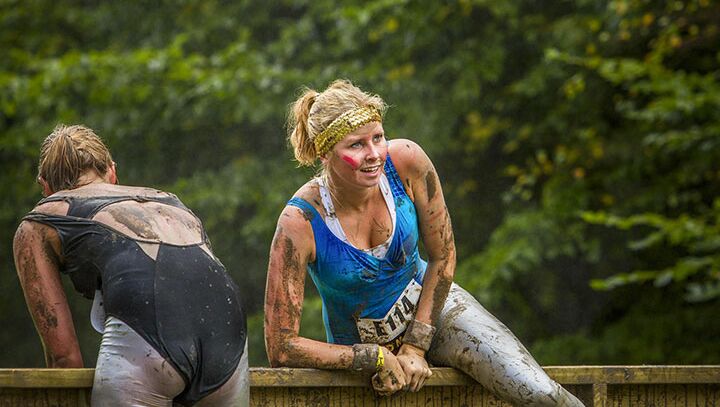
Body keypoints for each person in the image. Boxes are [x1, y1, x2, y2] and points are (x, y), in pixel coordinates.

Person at [264, 79, 584, 406]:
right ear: (325, 151)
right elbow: (280, 345)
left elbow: (443, 256)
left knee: (541, 394)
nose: (374, 154)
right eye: (356, 145)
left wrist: (416, 344)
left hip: (435, 309)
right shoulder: (299, 222)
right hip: (362, 355)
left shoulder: (406, 161)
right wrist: (371, 357)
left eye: (378, 137)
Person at [13, 124, 248, 406]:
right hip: (228, 332)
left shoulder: (39, 222)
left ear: (45, 187)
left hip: (150, 335)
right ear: (112, 172)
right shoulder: (170, 202)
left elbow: (65, 358)